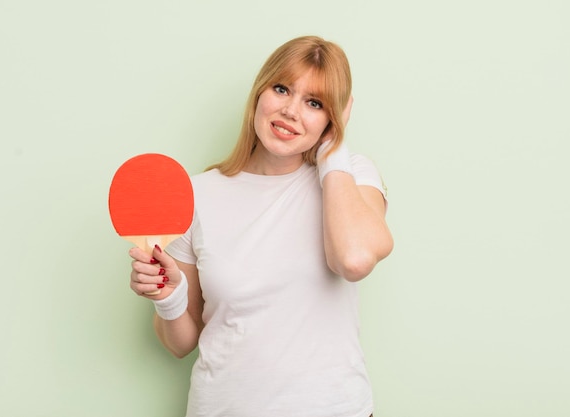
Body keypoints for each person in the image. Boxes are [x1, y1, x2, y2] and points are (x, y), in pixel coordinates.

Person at [128, 35, 393, 417]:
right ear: (259, 92)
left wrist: (334, 150)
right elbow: (180, 344)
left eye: (315, 103)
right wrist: (167, 298)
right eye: (282, 89)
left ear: (333, 118)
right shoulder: (196, 195)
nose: (290, 111)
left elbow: (353, 259)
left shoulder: (349, 176)